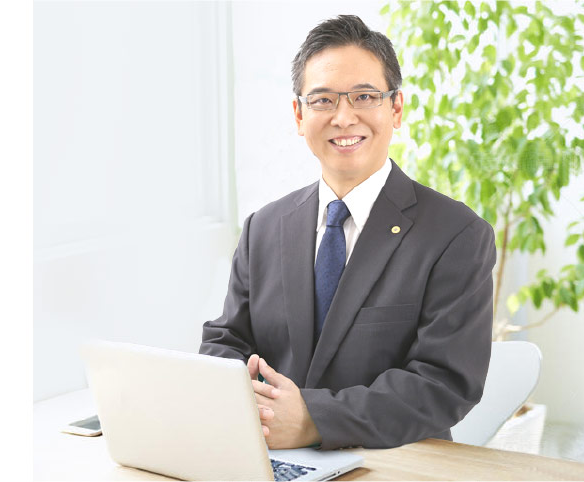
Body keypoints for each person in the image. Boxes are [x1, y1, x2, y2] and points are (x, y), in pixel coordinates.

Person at [199, 15, 496, 450]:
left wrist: (313, 419)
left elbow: (444, 383)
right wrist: (250, 404)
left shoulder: (457, 235)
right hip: (269, 457)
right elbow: (227, 340)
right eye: (323, 100)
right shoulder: (263, 227)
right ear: (299, 115)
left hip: (394, 462)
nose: (343, 117)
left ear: (396, 108)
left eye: (365, 96)